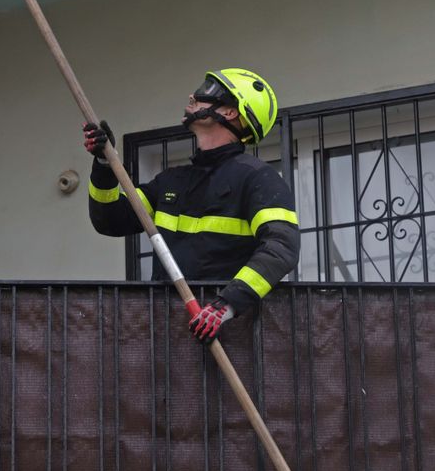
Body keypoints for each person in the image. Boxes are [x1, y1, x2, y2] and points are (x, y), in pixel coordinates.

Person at [83, 68, 300, 343]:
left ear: (232, 111)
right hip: (164, 335)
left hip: (227, 341)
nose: (193, 96)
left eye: (208, 90)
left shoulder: (257, 178)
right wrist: (104, 164)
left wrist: (226, 305)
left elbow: (282, 248)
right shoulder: (172, 182)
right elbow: (110, 219)